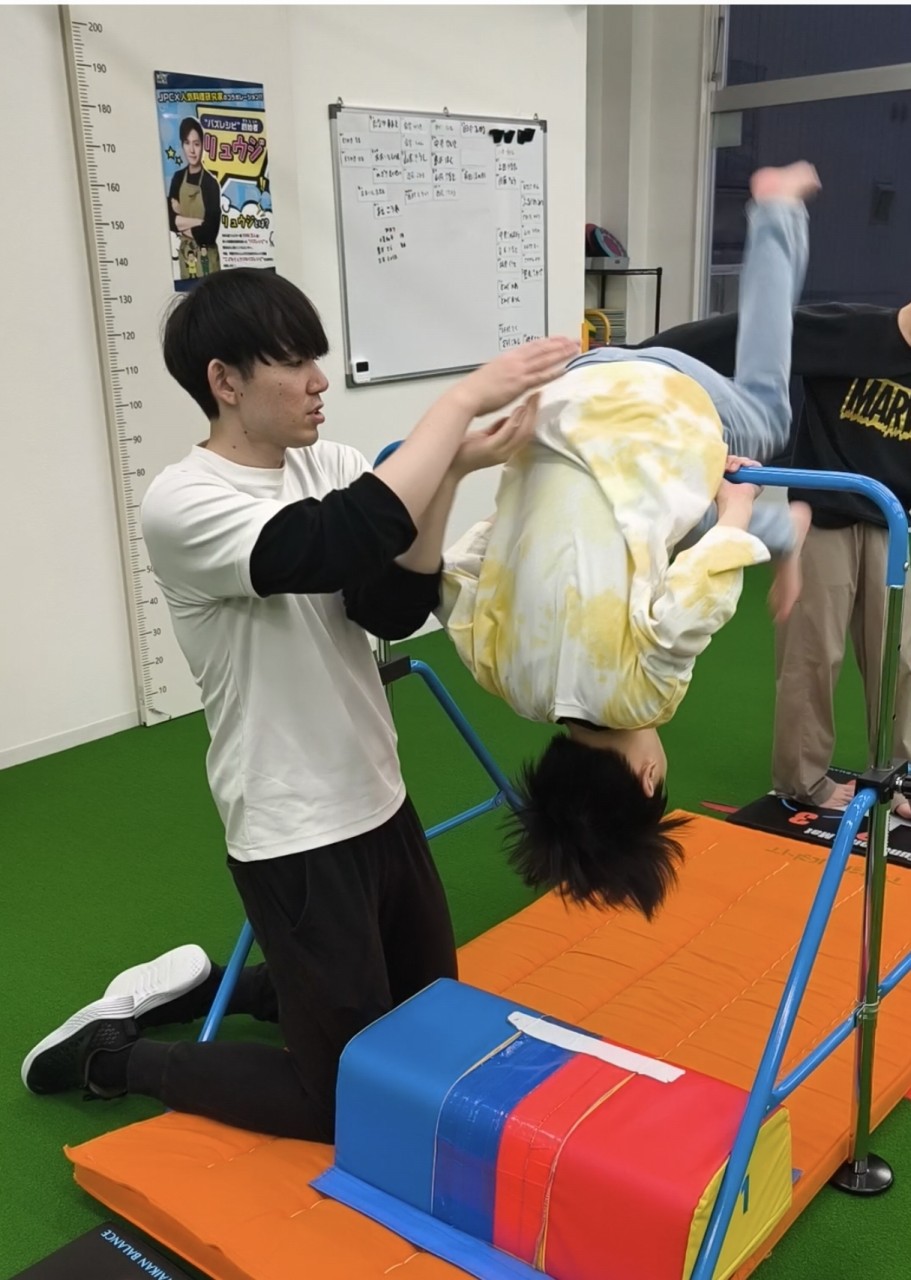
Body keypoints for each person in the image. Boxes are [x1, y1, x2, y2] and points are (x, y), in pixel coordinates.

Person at [20, 267, 577, 1140]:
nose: (320, 382)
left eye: (318, 359)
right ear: (225, 381)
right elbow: (326, 543)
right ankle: (113, 1055)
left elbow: (386, 607)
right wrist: (462, 400)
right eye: (294, 363)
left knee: (423, 1033)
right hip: (292, 825)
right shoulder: (182, 502)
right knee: (343, 1100)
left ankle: (225, 987)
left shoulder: (332, 465)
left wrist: (452, 472)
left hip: (377, 794)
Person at [437, 162, 820, 920]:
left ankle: (777, 212)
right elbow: (458, 568)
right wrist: (520, 519)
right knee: (667, 533)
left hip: (662, 404)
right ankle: (783, 534)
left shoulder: (643, 696)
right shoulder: (499, 676)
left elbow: (698, 599)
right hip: (569, 391)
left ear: (646, 779)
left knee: (767, 426)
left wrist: (739, 506)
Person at [635, 298, 911, 817]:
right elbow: (741, 333)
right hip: (823, 517)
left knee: (900, 659)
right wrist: (639, 356)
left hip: (896, 524)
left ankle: (903, 778)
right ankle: (803, 780)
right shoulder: (845, 331)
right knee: (811, 654)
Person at [168, 118, 222, 281]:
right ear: (182, 145)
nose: (192, 150)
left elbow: (210, 233)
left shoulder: (210, 183)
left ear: (203, 146)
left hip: (207, 257)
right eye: (187, 143)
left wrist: (181, 223)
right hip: (186, 256)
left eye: (196, 144)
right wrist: (199, 222)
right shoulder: (178, 178)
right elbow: (170, 221)